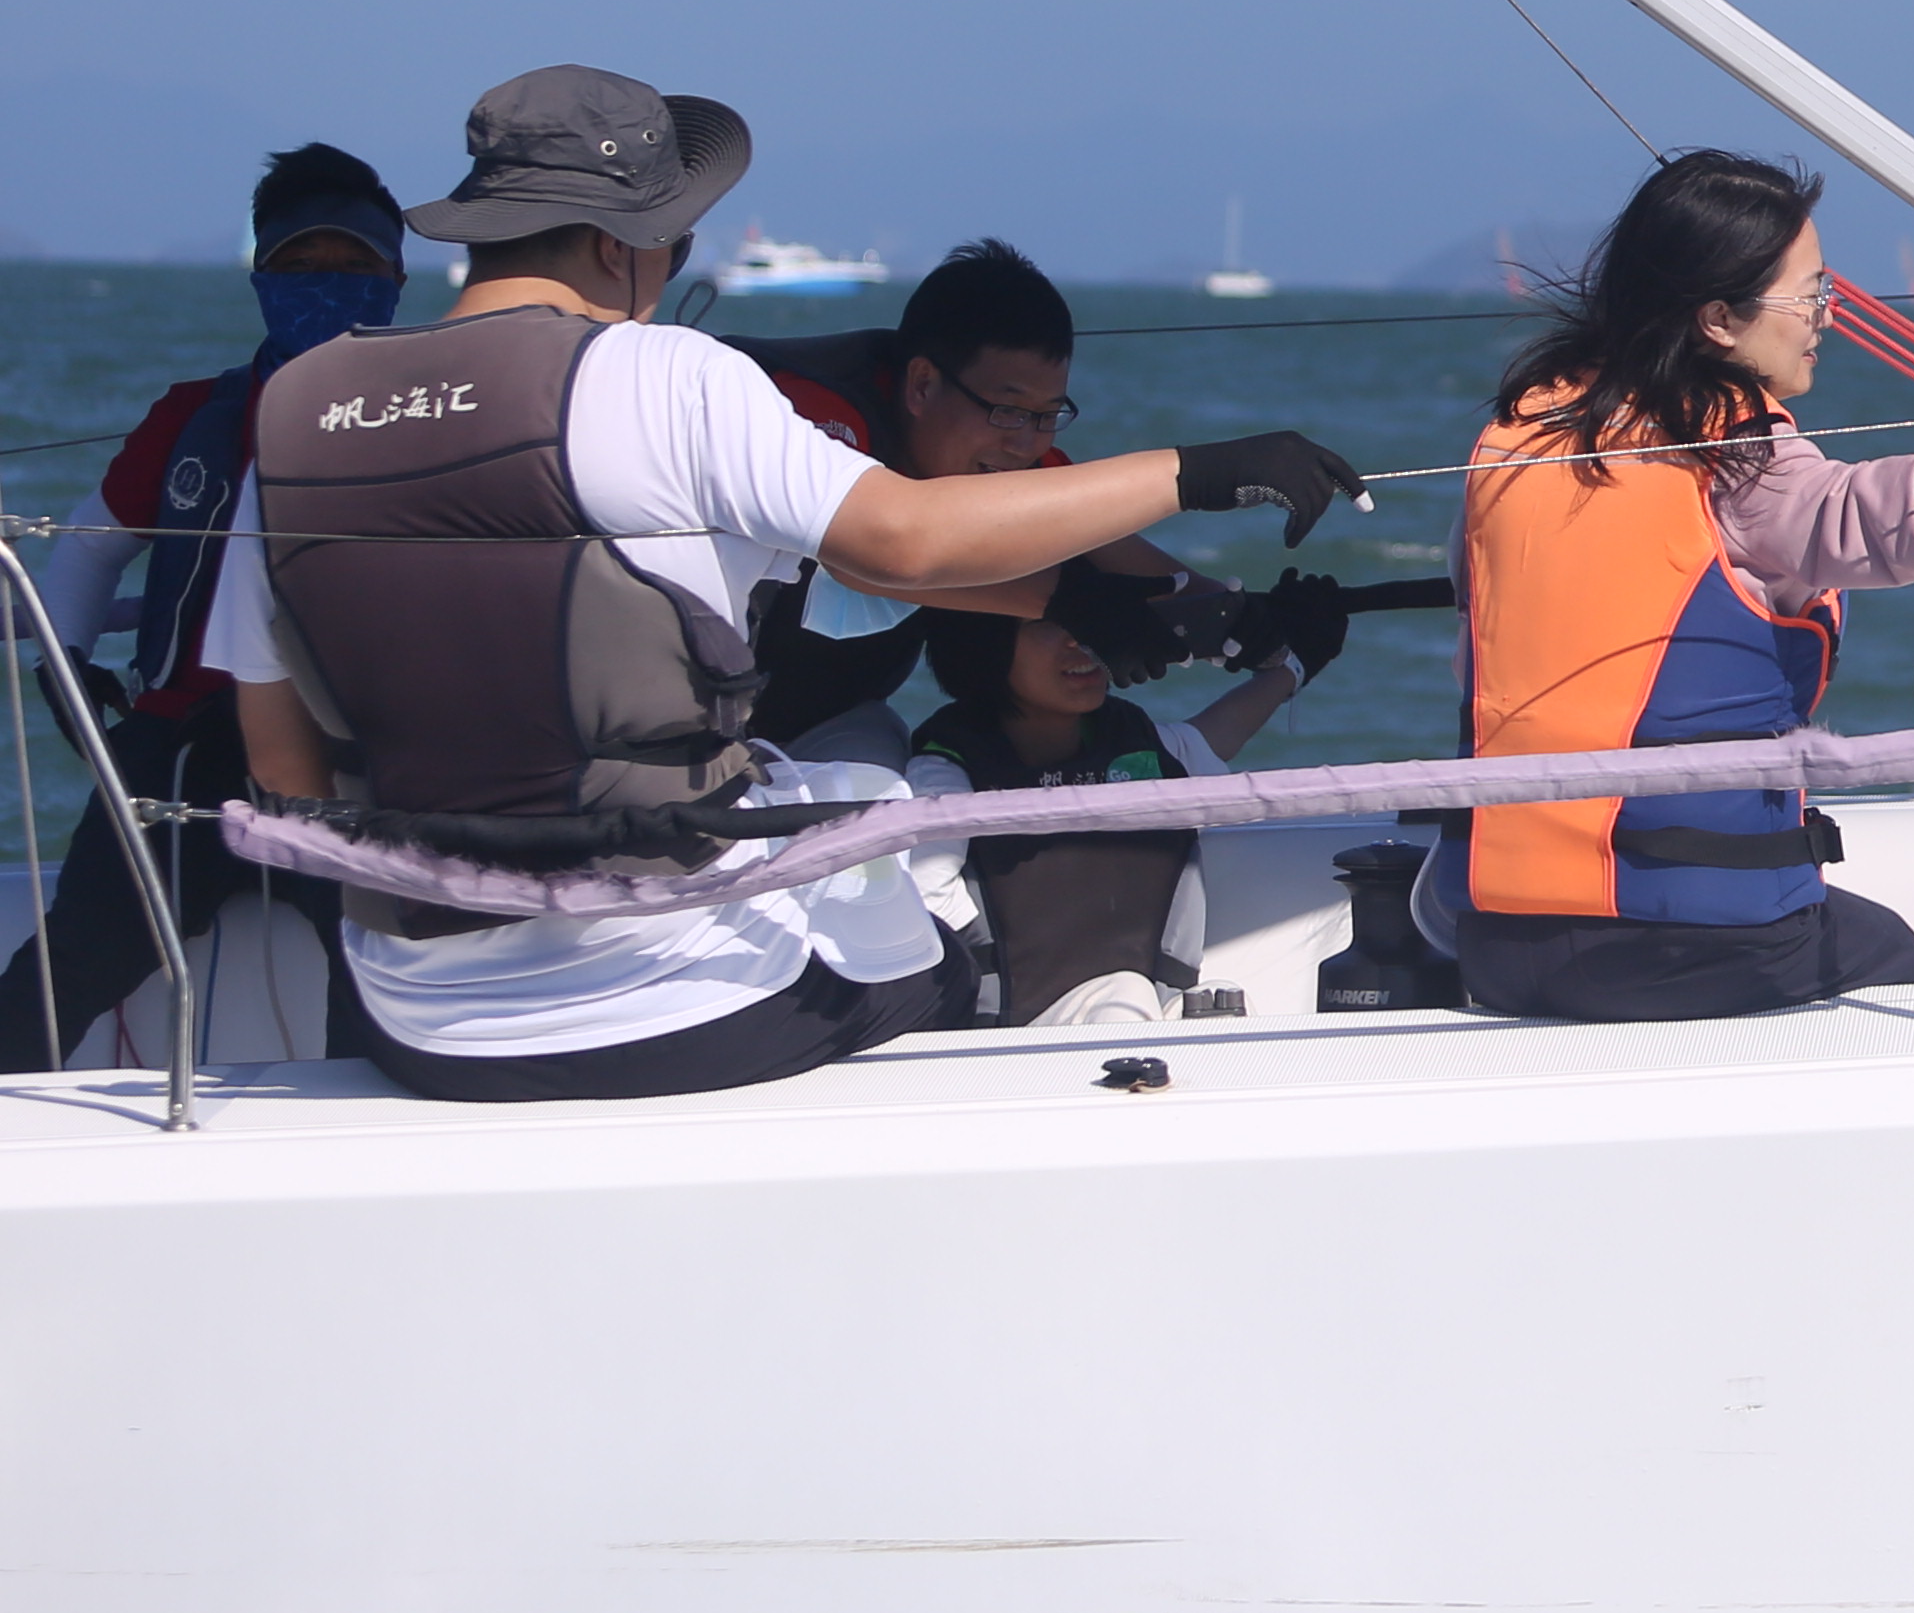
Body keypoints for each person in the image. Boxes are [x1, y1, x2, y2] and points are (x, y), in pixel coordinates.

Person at [207, 67, 1367, 1101]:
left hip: (412, 1015)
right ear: (618, 244)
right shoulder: (666, 375)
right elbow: (903, 542)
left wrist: (1092, 602)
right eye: (675, 241)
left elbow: (281, 765)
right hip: (655, 995)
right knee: (937, 963)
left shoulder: (295, 413)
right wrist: (1193, 472)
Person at [1443, 148, 1914, 1024]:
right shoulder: (1739, 462)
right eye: (1811, 295)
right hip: (1687, 937)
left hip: (1499, 934)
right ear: (1718, 319)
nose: (1826, 317)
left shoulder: (1525, 438)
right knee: (1900, 960)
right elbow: (1893, 518)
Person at [13, 143, 410, 1070]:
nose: (327, 284)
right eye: (300, 266)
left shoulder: (441, 420)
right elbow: (90, 547)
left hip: (356, 753)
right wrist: (66, 667)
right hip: (182, 747)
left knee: (380, 973)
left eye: (353, 265)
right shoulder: (195, 417)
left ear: (396, 278)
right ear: (260, 278)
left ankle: (355, 1134)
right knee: (76, 956)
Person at [742, 239, 1246, 766]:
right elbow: (861, 557)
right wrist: (1069, 600)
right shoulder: (806, 415)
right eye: (1007, 410)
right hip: (700, 718)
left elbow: (1128, 560)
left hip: (834, 722)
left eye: (1048, 415)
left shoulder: (1020, 452)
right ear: (922, 385)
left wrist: (1247, 620)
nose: (1025, 443)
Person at [900, 589, 1328, 1028]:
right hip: (1010, 1036)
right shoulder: (945, 773)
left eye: (1088, 617)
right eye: (1047, 623)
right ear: (979, 645)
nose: (1081, 638)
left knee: (1221, 1007)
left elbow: (1214, 737)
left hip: (1143, 1015)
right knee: (1124, 994)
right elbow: (927, 899)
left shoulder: (1135, 743)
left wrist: (1292, 666)